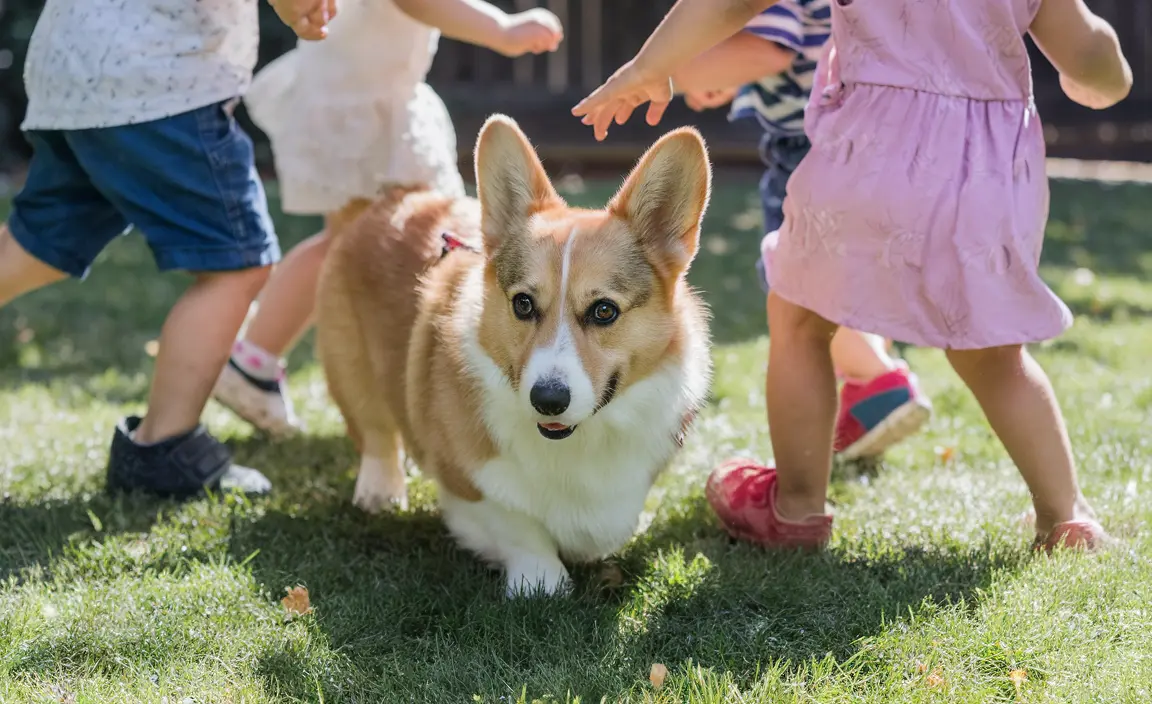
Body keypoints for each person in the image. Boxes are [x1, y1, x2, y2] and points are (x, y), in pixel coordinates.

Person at [572, 0, 1132, 551]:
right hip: (986, 170)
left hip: (871, 153)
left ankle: (796, 509)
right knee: (994, 357)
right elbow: (1086, 51)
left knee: (799, 320)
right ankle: (1065, 517)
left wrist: (650, 67)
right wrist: (1107, 81)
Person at [0, 0, 329, 497]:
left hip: (73, 67)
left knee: (36, 245)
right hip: (160, 80)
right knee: (237, 265)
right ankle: (163, 451)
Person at [212, 0, 563, 437]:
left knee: (353, 244)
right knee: (356, 247)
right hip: (363, 107)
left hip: (366, 92)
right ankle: (254, 361)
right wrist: (502, 29)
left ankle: (255, 359)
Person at [673, 0, 931, 460]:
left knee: (795, 285)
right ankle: (864, 397)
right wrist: (731, 77)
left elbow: (769, 47)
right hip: (879, 133)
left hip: (811, 145)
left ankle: (877, 380)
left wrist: (665, 73)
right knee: (852, 278)